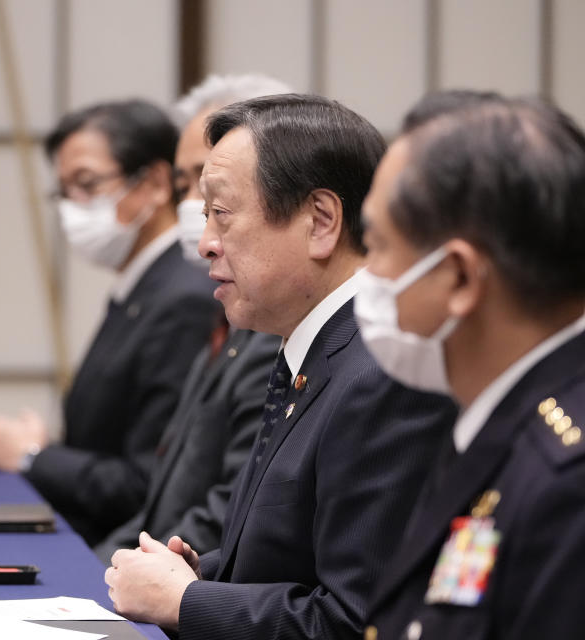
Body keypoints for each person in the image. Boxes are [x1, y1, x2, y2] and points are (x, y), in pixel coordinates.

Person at [104, 94, 457, 638]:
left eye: (221, 214)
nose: (205, 244)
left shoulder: (380, 373)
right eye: (205, 217)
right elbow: (292, 558)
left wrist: (189, 602)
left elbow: (354, 620)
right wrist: (203, 576)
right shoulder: (315, 351)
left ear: (320, 221)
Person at [360, 94, 585, 639]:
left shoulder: (566, 483)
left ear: (458, 277)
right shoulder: (491, 415)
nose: (365, 275)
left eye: (375, 245)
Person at [0, 99, 219, 546]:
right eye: (65, 191)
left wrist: (35, 457)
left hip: (122, 547)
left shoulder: (183, 295)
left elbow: (147, 481)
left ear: (155, 183)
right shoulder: (143, 284)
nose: (73, 207)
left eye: (86, 184)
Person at [94, 74, 291, 563]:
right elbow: (164, 498)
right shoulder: (235, 314)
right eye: (187, 185)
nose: (196, 213)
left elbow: (231, 511)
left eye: (214, 189)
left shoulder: (274, 326)